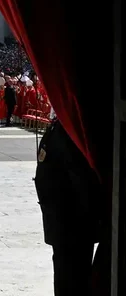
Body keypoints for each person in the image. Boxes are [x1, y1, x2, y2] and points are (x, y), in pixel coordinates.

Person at [34, 118, 103, 295]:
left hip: (72, 223)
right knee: (67, 277)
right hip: (62, 221)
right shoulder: (60, 127)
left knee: (72, 278)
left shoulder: (67, 131)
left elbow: (80, 179)